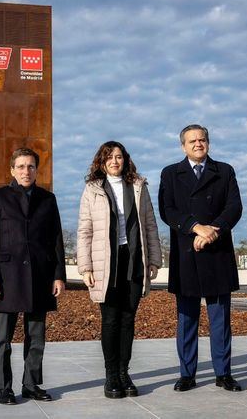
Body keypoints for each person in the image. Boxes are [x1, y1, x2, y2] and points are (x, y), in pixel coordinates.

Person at [158, 124, 243, 392]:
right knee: (187, 320)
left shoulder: (225, 171)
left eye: (202, 139)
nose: (198, 144)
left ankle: (223, 373)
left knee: (220, 320)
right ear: (183, 146)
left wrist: (212, 231)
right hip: (186, 255)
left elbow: (234, 207)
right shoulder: (171, 173)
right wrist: (196, 227)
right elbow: (167, 210)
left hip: (217, 253)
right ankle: (187, 374)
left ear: (208, 143)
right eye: (192, 140)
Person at [77, 141, 162, 399]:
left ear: (125, 159)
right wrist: (85, 267)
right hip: (106, 263)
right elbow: (85, 231)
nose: (115, 161)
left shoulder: (138, 186)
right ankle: (111, 376)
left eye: (119, 157)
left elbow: (149, 225)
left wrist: (155, 260)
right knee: (111, 319)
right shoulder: (92, 190)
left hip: (133, 259)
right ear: (101, 162)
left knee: (128, 319)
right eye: (109, 157)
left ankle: (125, 373)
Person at [0, 147, 66, 405]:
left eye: (30, 166)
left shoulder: (48, 199)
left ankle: (30, 385)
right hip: (7, 278)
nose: (25, 171)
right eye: (20, 166)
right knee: (2, 338)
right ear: (12, 170)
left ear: (36, 170)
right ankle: (4, 388)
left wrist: (58, 276)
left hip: (41, 276)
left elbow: (57, 240)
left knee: (36, 336)